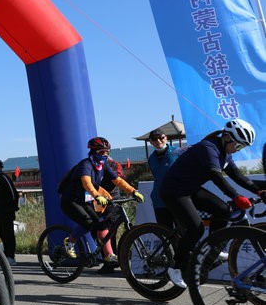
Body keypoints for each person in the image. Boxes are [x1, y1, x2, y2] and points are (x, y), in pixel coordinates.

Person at [159, 119, 266, 289]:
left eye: (242, 148)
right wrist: (236, 197)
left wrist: (258, 191)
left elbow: (238, 177)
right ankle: (175, 267)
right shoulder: (208, 148)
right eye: (239, 146)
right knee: (196, 229)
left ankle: (212, 245)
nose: (238, 150)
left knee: (223, 210)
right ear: (228, 137)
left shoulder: (225, 153)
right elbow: (216, 176)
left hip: (190, 189)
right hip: (173, 191)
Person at [58, 137, 144, 273]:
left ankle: (109, 255)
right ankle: (70, 242)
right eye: (102, 152)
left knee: (101, 224)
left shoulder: (103, 166)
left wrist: (133, 191)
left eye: (107, 152)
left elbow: (118, 180)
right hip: (71, 201)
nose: (105, 155)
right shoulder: (86, 164)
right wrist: (97, 196)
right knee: (87, 222)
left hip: (85, 200)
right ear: (94, 152)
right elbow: (86, 183)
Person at [147, 129, 181, 228]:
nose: (158, 141)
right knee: (164, 231)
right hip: (159, 200)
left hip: (177, 198)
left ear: (166, 138)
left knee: (182, 230)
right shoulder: (151, 158)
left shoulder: (178, 152)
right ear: (151, 142)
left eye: (161, 138)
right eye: (154, 139)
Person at [0, 158, 20, 266]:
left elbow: (14, 195)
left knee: (8, 234)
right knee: (2, 234)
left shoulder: (4, 178)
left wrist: (12, 208)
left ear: (0, 168)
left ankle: (11, 257)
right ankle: (6, 256)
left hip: (7, 212)